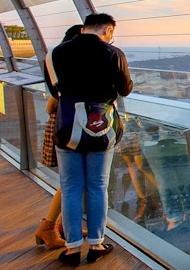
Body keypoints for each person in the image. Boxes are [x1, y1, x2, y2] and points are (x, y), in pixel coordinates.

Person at [52, 14, 133, 266]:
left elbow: (54, 89)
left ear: (84, 27)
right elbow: (125, 88)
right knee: (98, 186)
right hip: (101, 128)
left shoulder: (56, 53)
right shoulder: (113, 53)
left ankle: (72, 248)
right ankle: (96, 244)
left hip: (68, 127)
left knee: (71, 187)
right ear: (108, 29)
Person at [34, 24, 82, 250]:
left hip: (63, 125)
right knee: (71, 181)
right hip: (70, 128)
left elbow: (50, 104)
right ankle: (48, 227)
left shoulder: (56, 63)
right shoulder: (68, 68)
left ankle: (64, 225)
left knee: (71, 180)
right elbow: (54, 102)